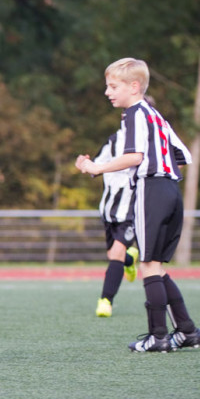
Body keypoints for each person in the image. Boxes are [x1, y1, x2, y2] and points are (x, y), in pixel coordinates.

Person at [76, 58, 200, 352]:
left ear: (134, 87)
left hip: (152, 190)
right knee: (156, 266)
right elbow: (183, 155)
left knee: (147, 265)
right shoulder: (156, 115)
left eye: (113, 86)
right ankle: (187, 331)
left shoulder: (133, 113)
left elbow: (134, 157)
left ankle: (158, 337)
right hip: (172, 189)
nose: (107, 92)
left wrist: (97, 167)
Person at [85, 130, 139, 318]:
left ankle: (106, 300)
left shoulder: (148, 140)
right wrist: (84, 164)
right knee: (114, 254)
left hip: (131, 211)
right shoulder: (115, 139)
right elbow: (96, 164)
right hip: (109, 210)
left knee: (116, 253)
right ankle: (130, 259)